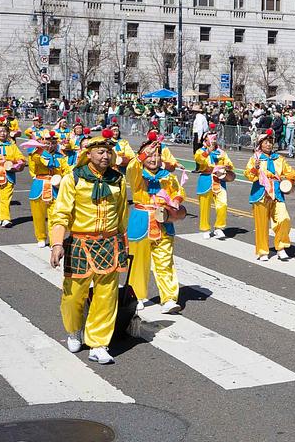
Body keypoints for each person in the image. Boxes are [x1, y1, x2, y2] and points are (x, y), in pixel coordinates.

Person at [49, 134, 129, 365]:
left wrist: (123, 241)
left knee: (106, 296)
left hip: (109, 243)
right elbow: (60, 213)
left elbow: (122, 212)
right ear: (89, 154)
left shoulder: (118, 179)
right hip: (80, 243)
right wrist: (56, 243)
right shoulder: (73, 178)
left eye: (108, 152)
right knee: (73, 295)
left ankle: (98, 343)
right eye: (100, 152)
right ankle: (74, 331)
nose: (105, 156)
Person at [126, 134, 188, 314]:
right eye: (149, 155)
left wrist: (176, 200)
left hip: (164, 221)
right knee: (138, 262)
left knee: (165, 261)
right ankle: (137, 295)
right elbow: (131, 168)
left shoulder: (167, 176)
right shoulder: (137, 174)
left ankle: (168, 298)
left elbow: (178, 191)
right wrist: (142, 157)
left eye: (157, 154)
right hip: (141, 221)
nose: (153, 158)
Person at [244, 131, 295, 261]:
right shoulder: (255, 158)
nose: (269, 145)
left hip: (277, 193)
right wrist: (255, 168)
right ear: (260, 144)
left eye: (270, 142)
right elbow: (249, 175)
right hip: (261, 194)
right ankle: (263, 251)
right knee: (261, 225)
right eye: (266, 142)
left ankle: (281, 247)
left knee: (284, 219)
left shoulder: (279, 158)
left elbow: (289, 172)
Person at [28, 131, 72, 247]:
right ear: (42, 142)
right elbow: (39, 161)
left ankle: (54, 240)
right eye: (47, 143)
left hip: (55, 188)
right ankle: (41, 237)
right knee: (38, 215)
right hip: (39, 186)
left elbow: (66, 170)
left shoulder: (61, 157)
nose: (50, 145)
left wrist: (62, 178)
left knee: (55, 215)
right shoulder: (36, 154)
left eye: (53, 143)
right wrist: (41, 150)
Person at [194, 130, 235, 239]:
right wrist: (208, 151)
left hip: (220, 180)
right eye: (211, 139)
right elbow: (199, 160)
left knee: (223, 204)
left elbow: (230, 163)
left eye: (215, 139)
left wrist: (228, 167)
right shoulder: (200, 151)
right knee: (204, 206)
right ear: (205, 140)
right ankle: (205, 229)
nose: (213, 141)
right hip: (206, 180)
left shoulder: (221, 152)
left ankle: (219, 227)